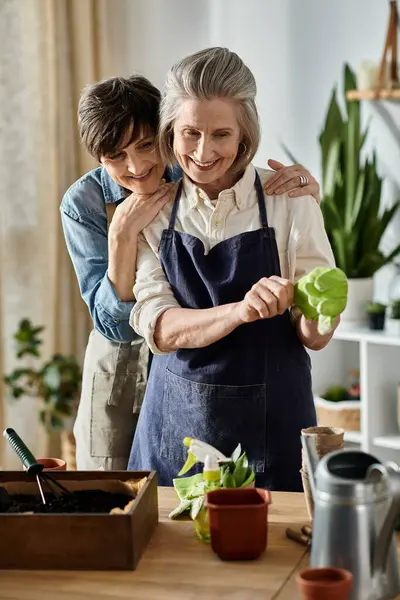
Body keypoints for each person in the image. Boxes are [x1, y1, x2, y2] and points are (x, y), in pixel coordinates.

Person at [60, 74, 322, 471]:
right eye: (116, 156)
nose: (137, 166)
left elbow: (239, 173)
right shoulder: (85, 202)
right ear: (99, 158)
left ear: (165, 133)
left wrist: (307, 198)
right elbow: (114, 326)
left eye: (146, 145)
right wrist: (122, 236)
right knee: (113, 492)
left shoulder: (194, 168)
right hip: (121, 364)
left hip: (197, 364)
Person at [127, 48, 338, 491]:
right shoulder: (154, 212)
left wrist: (323, 312)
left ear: (244, 135)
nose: (203, 152)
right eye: (190, 133)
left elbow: (313, 335)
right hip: (174, 429)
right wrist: (241, 310)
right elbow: (161, 330)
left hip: (274, 424)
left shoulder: (288, 199)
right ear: (170, 131)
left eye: (221, 134)